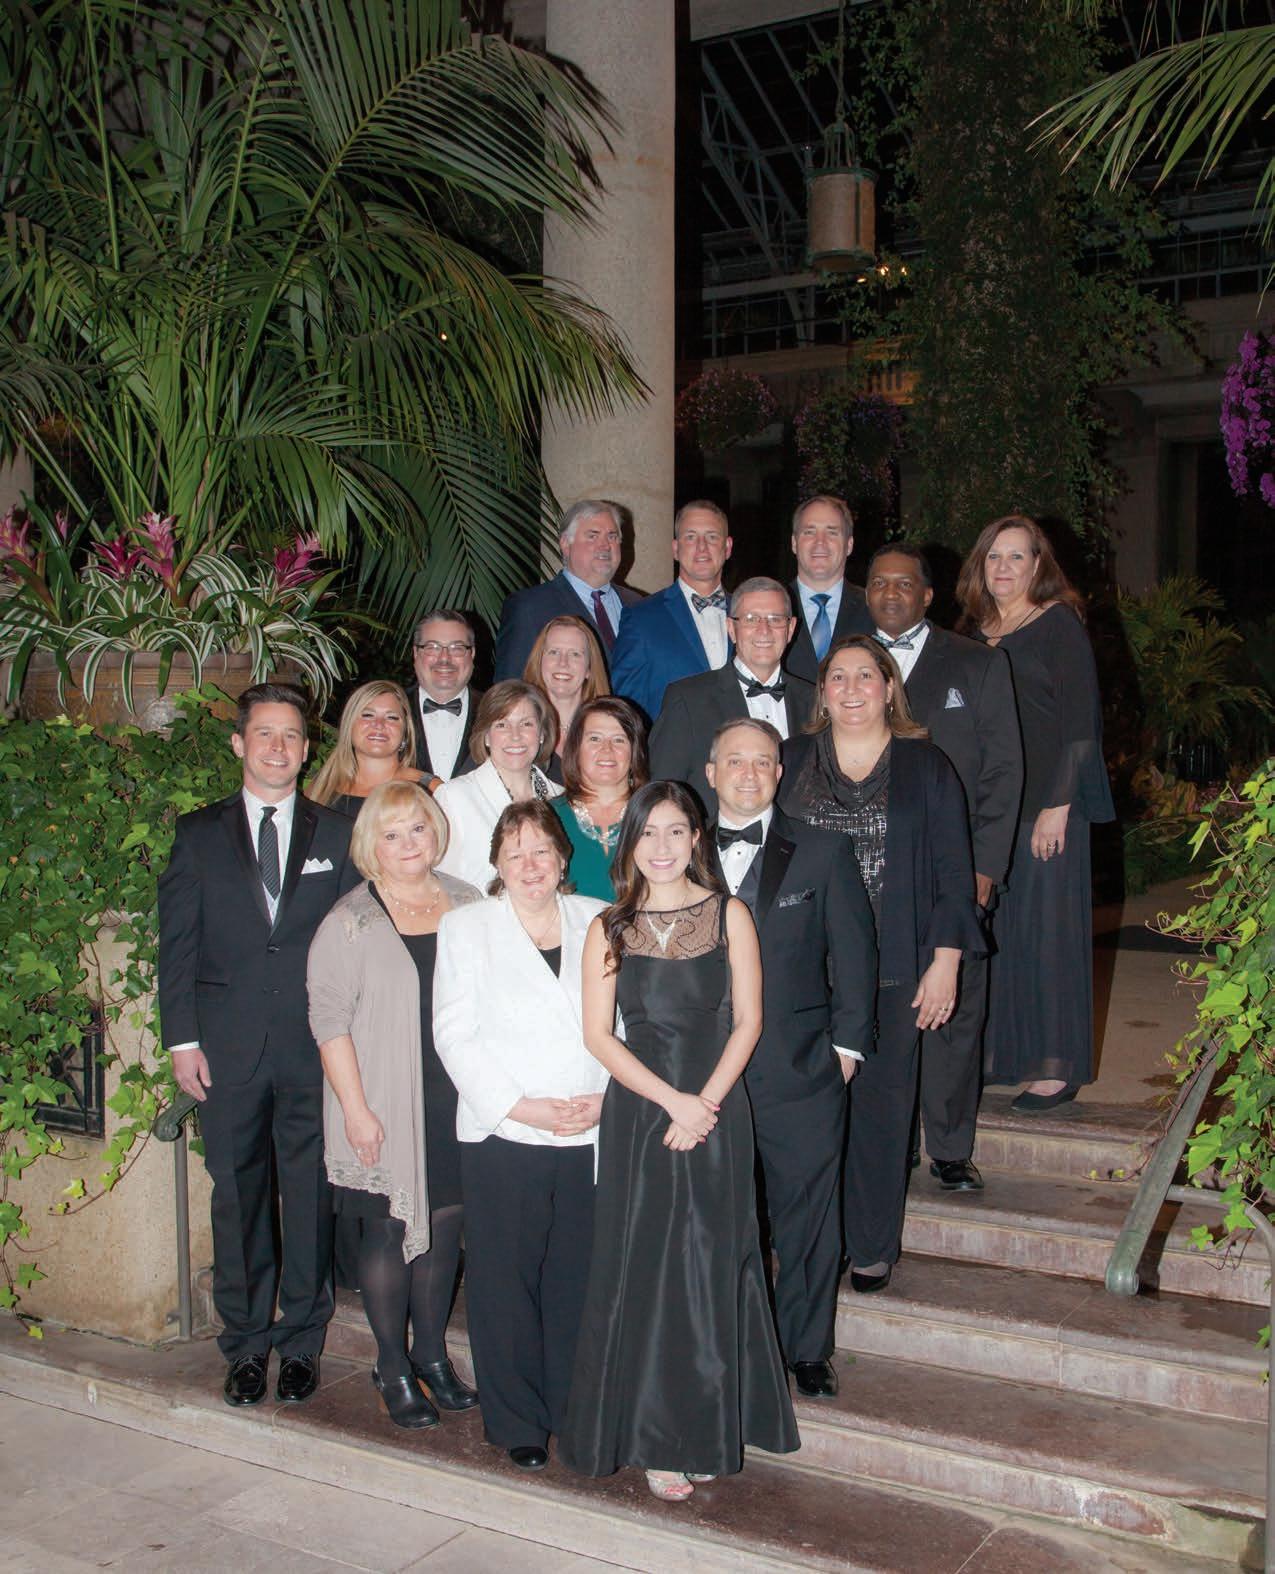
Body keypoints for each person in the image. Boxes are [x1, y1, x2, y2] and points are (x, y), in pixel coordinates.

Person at [560, 782, 798, 1502]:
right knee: (646, 1267)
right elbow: (598, 1036)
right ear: (628, 842)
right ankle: (657, 1440)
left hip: (719, 1109)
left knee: (712, 1264)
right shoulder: (608, 927)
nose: (660, 847)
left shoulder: (730, 915)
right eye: (646, 833)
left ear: (696, 837)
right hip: (642, 1115)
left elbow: (749, 1022)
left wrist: (706, 1106)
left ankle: (708, 1426)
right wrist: (673, 1103)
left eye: (674, 831)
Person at [158, 682, 355, 1407]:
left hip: (315, 1048)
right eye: (265, 733)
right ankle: (244, 1345)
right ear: (240, 743)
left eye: (291, 735)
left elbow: (357, 941)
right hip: (227, 1047)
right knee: (236, 1196)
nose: (278, 747)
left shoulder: (338, 835)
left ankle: (301, 1341)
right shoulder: (197, 834)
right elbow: (177, 945)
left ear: (307, 750)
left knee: (309, 1196)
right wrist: (182, 1041)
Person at [780, 638, 984, 1294]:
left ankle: (869, 1245)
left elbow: (954, 871)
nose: (850, 688)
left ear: (889, 688)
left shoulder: (926, 766)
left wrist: (945, 961)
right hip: (803, 971)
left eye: (864, 676)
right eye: (837, 676)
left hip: (896, 969)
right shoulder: (789, 760)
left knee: (881, 1112)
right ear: (821, 692)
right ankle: (814, 1241)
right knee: (807, 1118)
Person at [432, 801, 609, 1471]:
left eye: (541, 850)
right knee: (504, 1282)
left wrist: (607, 1099)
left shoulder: (600, 919)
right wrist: (520, 1107)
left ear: (562, 857)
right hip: (503, 1130)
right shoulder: (466, 927)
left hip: (589, 1125)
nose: (530, 865)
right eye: (515, 854)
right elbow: (453, 1034)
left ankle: (569, 1406)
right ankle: (516, 1421)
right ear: (497, 866)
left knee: (574, 1279)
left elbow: (625, 1021)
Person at [705, 719, 876, 1396]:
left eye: (762, 762)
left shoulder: (823, 850)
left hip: (799, 1067)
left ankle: (806, 1349)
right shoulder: (672, 850)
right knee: (716, 1217)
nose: (749, 773)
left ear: (779, 773)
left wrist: (845, 1048)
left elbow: (855, 954)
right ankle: (724, 1345)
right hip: (700, 1075)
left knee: (807, 1214)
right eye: (734, 761)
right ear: (711, 772)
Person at [307, 782, 481, 1429]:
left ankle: (431, 1356)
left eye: (418, 828)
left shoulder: (469, 902)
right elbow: (328, 1021)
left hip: (457, 1096)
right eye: (392, 833)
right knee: (387, 1229)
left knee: (444, 1225)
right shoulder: (349, 920)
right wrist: (356, 1111)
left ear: (436, 833)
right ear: (370, 846)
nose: (409, 843)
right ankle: (391, 1365)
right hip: (380, 1096)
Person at [865, 545, 1023, 1189]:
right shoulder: (848, 666)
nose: (891, 592)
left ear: (927, 595)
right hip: (873, 871)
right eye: (879, 582)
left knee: (954, 1011)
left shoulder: (977, 663)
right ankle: (894, 1139)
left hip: (955, 870)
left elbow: (1004, 771)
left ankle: (951, 1148)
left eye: (904, 583)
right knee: (884, 1009)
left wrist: (986, 866)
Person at [956, 515, 1115, 1113]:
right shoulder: (971, 631)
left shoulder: (1057, 625)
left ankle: (1053, 1065)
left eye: (1017, 556)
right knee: (999, 935)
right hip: (990, 810)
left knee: (1049, 935)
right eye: (994, 556)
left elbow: (1080, 725)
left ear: (1038, 565)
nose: (1003, 567)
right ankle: (1002, 1056)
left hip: (1046, 807)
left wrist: (1059, 805)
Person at [649, 576, 815, 818]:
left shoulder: (815, 702)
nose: (764, 630)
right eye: (751, 619)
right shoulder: (687, 699)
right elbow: (660, 794)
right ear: (731, 628)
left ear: (790, 629)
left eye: (775, 619)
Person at [610, 500, 734, 723]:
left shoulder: (749, 615)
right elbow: (625, 709)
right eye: (691, 537)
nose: (702, 547)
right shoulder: (640, 618)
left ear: (727, 547)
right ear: (675, 549)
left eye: (712, 537)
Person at [434, 681, 563, 890]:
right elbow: (439, 884)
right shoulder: (453, 797)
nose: (515, 735)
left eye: (526, 724)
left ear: (541, 734)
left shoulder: (563, 799)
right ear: (486, 736)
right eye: (502, 725)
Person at [494, 501, 641, 680]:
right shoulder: (529, 607)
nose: (605, 545)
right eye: (593, 536)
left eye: (612, 536)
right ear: (565, 544)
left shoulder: (637, 604)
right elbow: (510, 685)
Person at [552, 697, 649, 901]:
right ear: (576, 748)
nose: (607, 749)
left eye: (619, 740)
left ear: (634, 751)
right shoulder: (548, 817)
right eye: (595, 739)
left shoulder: (656, 813)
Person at [784, 495, 874, 685]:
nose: (820, 542)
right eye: (809, 532)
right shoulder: (772, 608)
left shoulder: (873, 608)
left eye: (832, 532)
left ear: (849, 545)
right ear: (794, 543)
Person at [309, 681, 431, 816]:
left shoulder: (427, 790)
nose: (379, 724)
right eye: (368, 715)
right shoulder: (320, 789)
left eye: (391, 717)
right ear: (349, 725)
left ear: (406, 732)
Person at [522, 613, 611, 779]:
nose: (563, 663)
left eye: (575, 654)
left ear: (589, 668)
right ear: (539, 661)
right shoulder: (515, 726)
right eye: (554, 652)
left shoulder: (611, 730)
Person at [407, 609, 483, 782]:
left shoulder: (496, 712)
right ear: (416, 653)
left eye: (457, 648)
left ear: (472, 654)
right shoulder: (392, 710)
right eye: (432, 647)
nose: (444, 659)